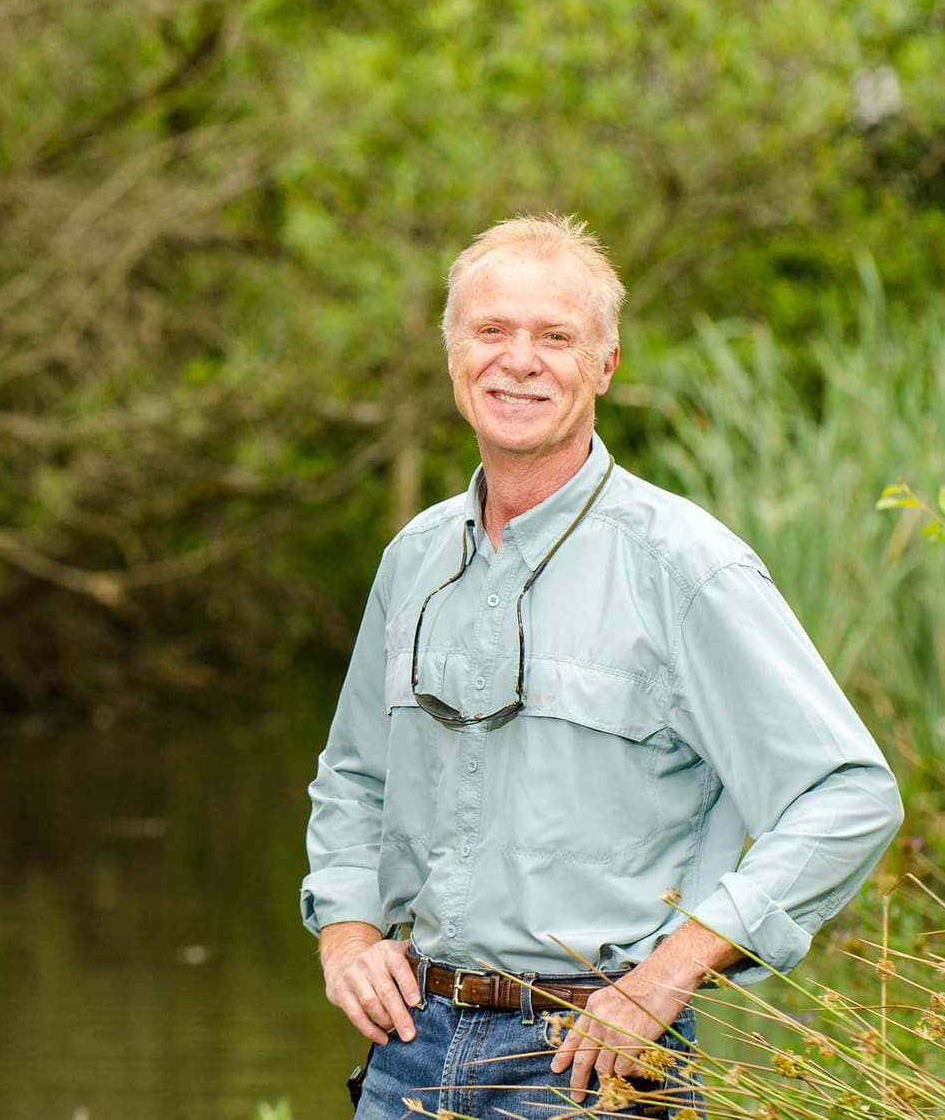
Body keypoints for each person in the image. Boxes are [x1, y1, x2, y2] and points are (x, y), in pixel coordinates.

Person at [301, 215, 904, 1118]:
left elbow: (851, 793)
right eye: (492, 330)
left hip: (593, 1066)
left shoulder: (686, 567)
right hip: (408, 1052)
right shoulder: (414, 559)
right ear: (452, 352)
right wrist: (348, 933)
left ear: (607, 364)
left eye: (556, 336)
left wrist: (664, 979)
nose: (519, 359)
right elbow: (352, 778)